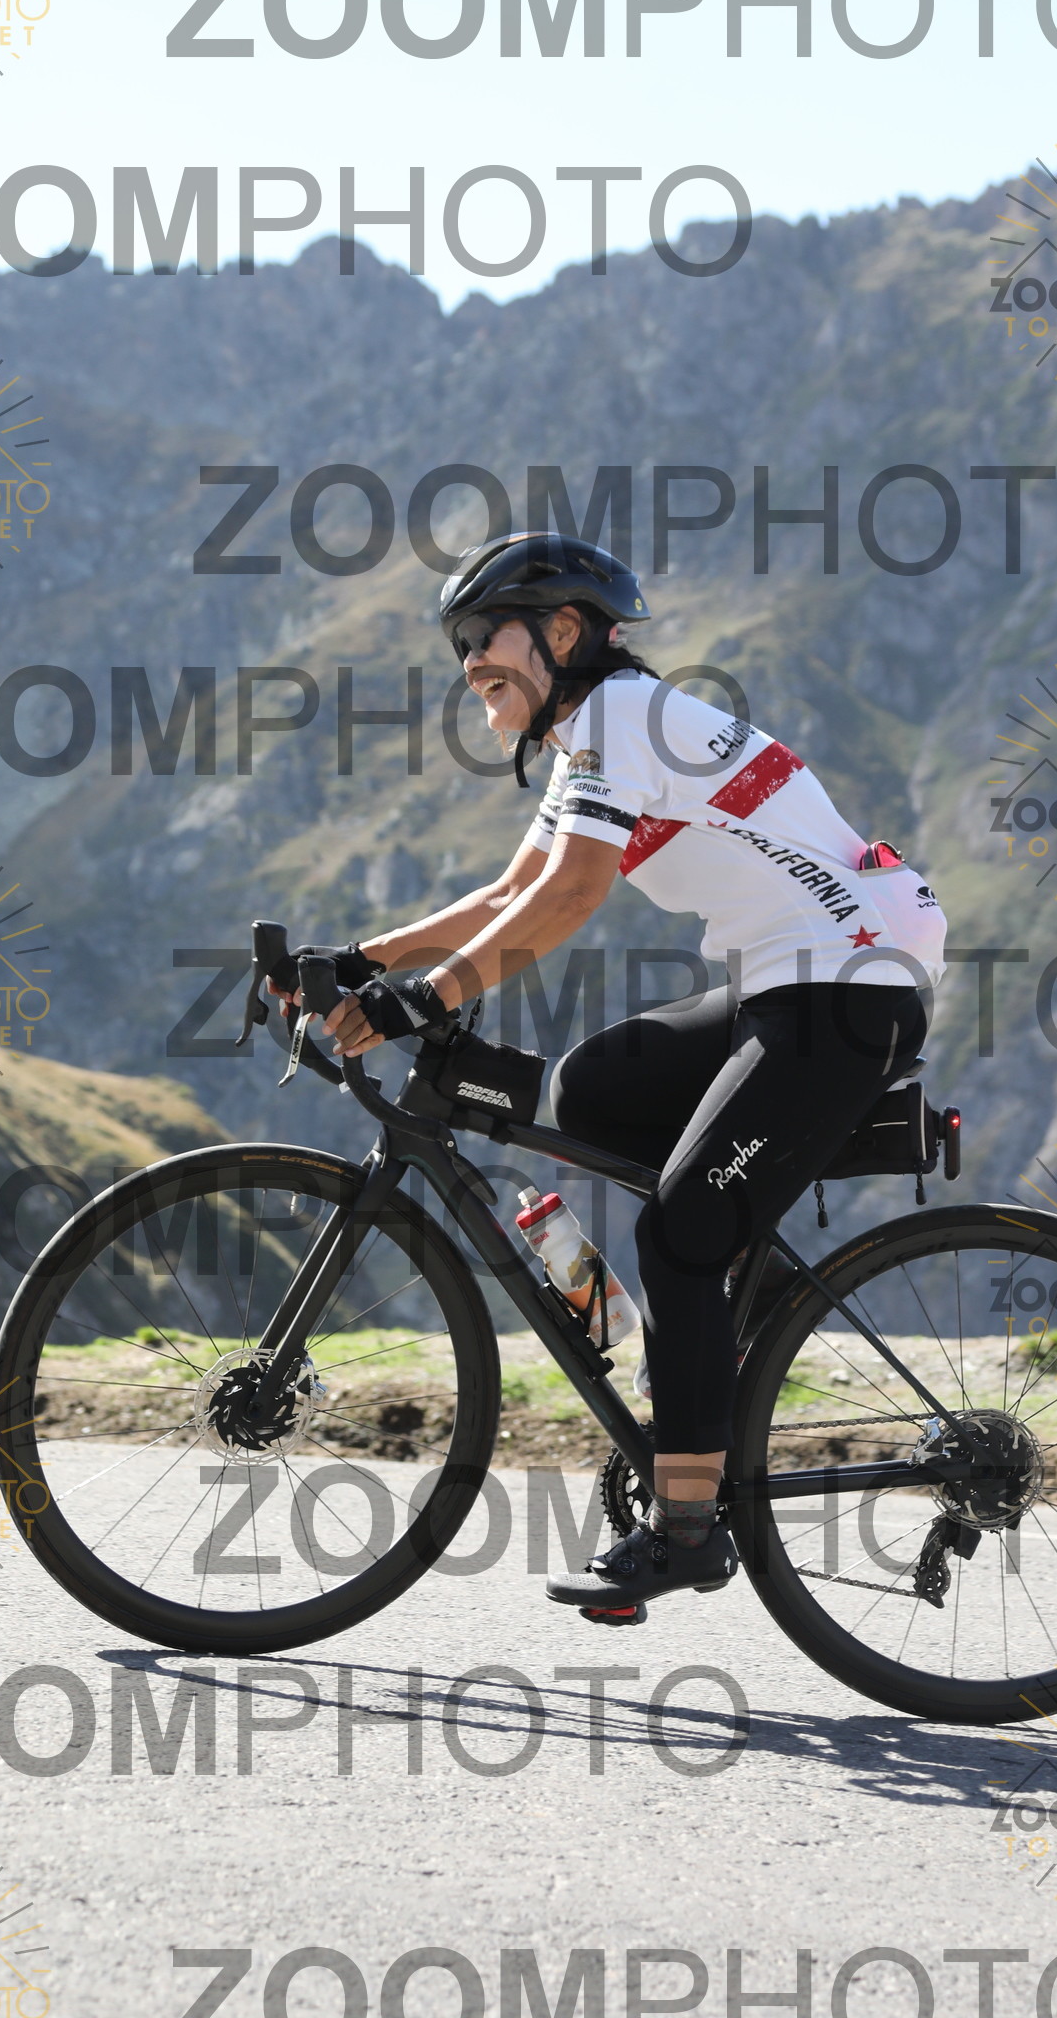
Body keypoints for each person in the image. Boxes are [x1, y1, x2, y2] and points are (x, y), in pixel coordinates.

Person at [303, 533, 947, 1616]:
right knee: (591, 1092)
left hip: (844, 989)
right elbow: (514, 890)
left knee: (678, 1233)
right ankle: (735, 1300)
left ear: (564, 632)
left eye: (485, 635)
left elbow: (570, 899)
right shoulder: (592, 738)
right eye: (460, 645)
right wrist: (367, 960)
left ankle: (687, 1528)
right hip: (788, 981)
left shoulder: (620, 718)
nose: (469, 661)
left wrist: (432, 996)